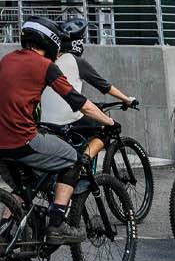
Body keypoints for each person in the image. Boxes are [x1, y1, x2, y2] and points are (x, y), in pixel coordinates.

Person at [0, 16, 119, 246]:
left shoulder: (6, 60)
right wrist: (108, 122)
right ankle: (56, 224)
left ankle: (2, 238)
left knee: (23, 188)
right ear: (50, 43)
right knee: (74, 160)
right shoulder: (45, 66)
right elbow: (79, 102)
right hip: (22, 140)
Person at [40, 15, 139, 170]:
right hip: (68, 120)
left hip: (45, 121)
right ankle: (83, 164)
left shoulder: (49, 62)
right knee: (106, 129)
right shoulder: (76, 61)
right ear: (78, 42)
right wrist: (127, 99)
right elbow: (104, 86)